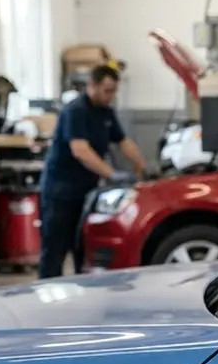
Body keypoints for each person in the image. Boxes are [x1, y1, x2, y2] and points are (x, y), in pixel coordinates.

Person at [37, 63, 148, 278]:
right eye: (107, 91)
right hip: (61, 193)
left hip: (86, 192)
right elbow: (81, 150)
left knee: (83, 250)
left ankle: (82, 292)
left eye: (114, 91)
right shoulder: (75, 111)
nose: (110, 96)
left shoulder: (105, 112)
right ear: (92, 85)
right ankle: (44, 291)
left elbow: (123, 142)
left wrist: (143, 166)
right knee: (55, 251)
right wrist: (111, 173)